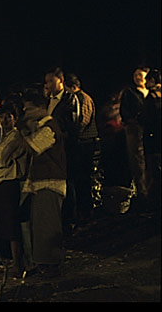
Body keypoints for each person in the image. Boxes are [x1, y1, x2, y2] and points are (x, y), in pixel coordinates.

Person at [18, 90, 68, 279]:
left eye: (30, 109)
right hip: (40, 183)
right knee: (40, 226)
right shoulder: (41, 126)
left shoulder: (50, 127)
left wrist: (21, 133)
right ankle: (44, 263)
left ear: (41, 108)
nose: (27, 113)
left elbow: (33, 147)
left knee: (48, 226)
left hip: (50, 182)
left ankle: (51, 265)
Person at [0, 102, 29, 278]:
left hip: (9, 182)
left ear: (15, 118)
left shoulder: (16, 137)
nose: (4, 120)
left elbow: (0, 160)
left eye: (8, 117)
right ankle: (10, 261)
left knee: (11, 225)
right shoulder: (4, 137)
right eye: (2, 117)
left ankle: (18, 263)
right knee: (1, 222)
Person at [43, 67, 80, 232]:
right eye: (46, 82)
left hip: (64, 147)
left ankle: (69, 219)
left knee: (67, 182)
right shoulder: (48, 100)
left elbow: (72, 125)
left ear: (61, 80)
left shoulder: (69, 99)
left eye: (51, 81)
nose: (48, 84)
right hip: (50, 148)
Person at [64, 73, 99, 222]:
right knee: (81, 178)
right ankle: (84, 210)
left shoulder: (82, 98)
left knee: (82, 178)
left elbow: (82, 121)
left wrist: (71, 133)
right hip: (83, 142)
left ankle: (86, 211)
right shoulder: (80, 98)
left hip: (85, 143)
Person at [119, 66, 150, 203]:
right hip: (135, 130)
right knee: (137, 160)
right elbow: (125, 112)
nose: (137, 77)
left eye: (140, 75)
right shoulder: (130, 92)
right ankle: (141, 192)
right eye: (135, 75)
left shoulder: (152, 93)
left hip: (150, 131)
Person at [140, 68, 161, 211]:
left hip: (153, 140)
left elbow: (147, 118)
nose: (145, 82)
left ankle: (153, 204)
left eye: (147, 79)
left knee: (154, 172)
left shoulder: (152, 97)